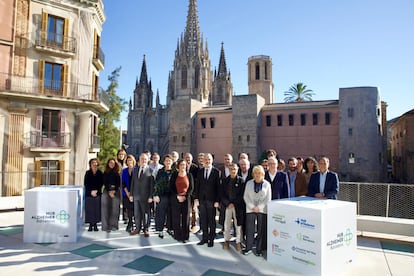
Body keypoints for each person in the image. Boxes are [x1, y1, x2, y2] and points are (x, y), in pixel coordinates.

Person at [243, 165, 271, 257]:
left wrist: (259, 207)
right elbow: (245, 196)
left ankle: (259, 249)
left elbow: (268, 198)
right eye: (256, 173)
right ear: (253, 174)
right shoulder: (249, 183)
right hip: (250, 209)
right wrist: (252, 207)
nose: (257, 174)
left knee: (261, 230)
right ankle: (248, 248)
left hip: (262, 209)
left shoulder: (267, 184)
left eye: (259, 173)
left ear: (263, 173)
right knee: (249, 229)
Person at [194, 153, 221, 247]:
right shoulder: (200, 171)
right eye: (205, 159)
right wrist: (196, 198)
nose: (207, 161)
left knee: (211, 220)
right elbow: (197, 186)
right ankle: (204, 238)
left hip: (212, 200)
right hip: (202, 200)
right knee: (203, 220)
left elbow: (219, 188)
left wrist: (217, 201)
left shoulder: (216, 172)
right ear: (203, 161)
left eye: (209, 159)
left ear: (212, 160)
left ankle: (211, 239)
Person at [221, 163, 245, 252]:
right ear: (229, 169)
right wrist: (228, 203)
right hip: (227, 206)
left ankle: (238, 242)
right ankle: (226, 240)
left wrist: (234, 203)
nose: (233, 170)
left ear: (237, 170)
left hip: (237, 206)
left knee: (238, 224)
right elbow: (222, 194)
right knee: (226, 224)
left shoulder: (241, 181)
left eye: (234, 169)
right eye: (231, 169)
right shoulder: (224, 181)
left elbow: (242, 195)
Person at [129, 153, 155, 237]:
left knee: (146, 214)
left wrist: (151, 196)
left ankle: (146, 229)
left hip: (146, 196)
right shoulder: (135, 170)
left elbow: (152, 185)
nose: (143, 160)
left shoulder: (150, 170)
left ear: (147, 160)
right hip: (136, 195)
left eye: (145, 159)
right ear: (139, 160)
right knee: (136, 213)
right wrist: (131, 194)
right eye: (142, 159)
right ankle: (137, 228)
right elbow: (133, 182)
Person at [170, 159, 194, 242]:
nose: (183, 166)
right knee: (176, 217)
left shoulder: (189, 175)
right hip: (176, 198)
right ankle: (177, 235)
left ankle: (185, 236)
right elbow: (171, 187)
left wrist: (185, 196)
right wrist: (177, 196)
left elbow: (191, 188)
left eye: (184, 165)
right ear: (178, 166)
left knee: (186, 217)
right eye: (181, 165)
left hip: (186, 199)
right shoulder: (174, 175)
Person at [153, 154, 174, 238]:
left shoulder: (175, 172)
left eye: (169, 160)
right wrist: (156, 195)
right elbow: (156, 184)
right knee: (160, 213)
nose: (168, 162)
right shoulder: (160, 171)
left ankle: (170, 228)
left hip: (172, 195)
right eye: (166, 160)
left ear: (172, 162)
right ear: (164, 162)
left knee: (171, 213)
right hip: (162, 195)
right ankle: (160, 230)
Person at [101, 158, 121, 232]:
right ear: (108, 164)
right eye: (110, 163)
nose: (111, 164)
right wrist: (109, 191)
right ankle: (105, 226)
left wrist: (114, 191)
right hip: (107, 190)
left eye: (113, 163)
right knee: (105, 209)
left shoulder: (118, 173)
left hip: (116, 191)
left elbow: (118, 183)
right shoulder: (105, 173)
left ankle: (114, 226)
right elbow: (104, 182)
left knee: (115, 209)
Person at [84, 158, 103, 232]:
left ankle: (95, 224)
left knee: (96, 209)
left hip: (97, 193)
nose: (94, 164)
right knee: (89, 210)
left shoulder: (100, 173)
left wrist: (96, 191)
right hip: (89, 193)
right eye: (93, 163)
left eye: (96, 163)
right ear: (90, 164)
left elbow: (101, 183)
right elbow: (86, 183)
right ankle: (90, 225)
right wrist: (91, 191)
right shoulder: (87, 173)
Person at [184, 152, 199, 231]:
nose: (187, 159)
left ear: (191, 159)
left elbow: (197, 180)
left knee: (193, 209)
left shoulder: (195, 167)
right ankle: (185, 224)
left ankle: (193, 224)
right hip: (184, 191)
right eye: (186, 158)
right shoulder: (182, 167)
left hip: (193, 192)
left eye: (189, 158)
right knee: (185, 209)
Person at [121, 154, 136, 232]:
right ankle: (130, 223)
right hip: (126, 193)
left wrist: (132, 193)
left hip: (135, 193)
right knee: (128, 209)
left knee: (134, 209)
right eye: (127, 160)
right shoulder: (124, 171)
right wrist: (127, 193)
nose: (129, 162)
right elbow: (122, 183)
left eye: (130, 160)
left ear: (133, 161)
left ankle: (133, 223)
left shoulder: (136, 170)